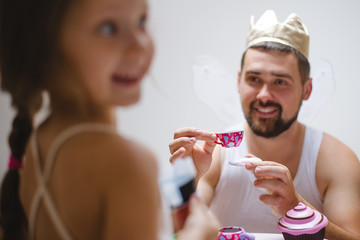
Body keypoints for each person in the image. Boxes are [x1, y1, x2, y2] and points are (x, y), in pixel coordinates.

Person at [0, 0, 219, 239]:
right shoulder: (128, 164)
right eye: (108, 28)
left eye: (142, 21)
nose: (139, 45)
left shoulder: (36, 145)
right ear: (48, 47)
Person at [169, 10, 360, 239]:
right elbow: (173, 234)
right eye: (254, 79)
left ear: (306, 89)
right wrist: (185, 182)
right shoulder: (213, 157)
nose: (264, 95)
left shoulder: (336, 160)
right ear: (239, 81)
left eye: (280, 81)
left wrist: (297, 208)